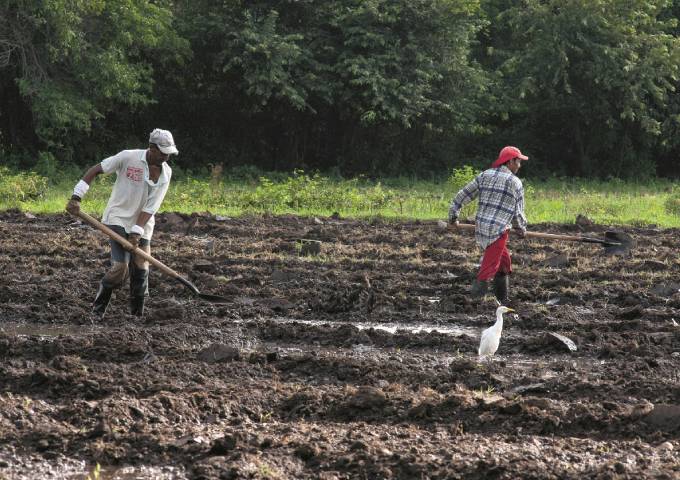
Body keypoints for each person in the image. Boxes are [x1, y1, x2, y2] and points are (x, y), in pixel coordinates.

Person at [66, 128, 178, 317]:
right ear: (151, 147)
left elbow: (152, 206)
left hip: (144, 223)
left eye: (169, 153)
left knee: (141, 268)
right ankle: (97, 312)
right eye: (162, 152)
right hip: (117, 217)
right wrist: (76, 196)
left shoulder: (166, 172)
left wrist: (136, 231)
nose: (166, 157)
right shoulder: (128, 157)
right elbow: (96, 170)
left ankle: (137, 317)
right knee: (120, 268)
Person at [448, 146, 528, 304]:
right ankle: (473, 303)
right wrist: (521, 229)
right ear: (510, 161)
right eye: (518, 161)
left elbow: (462, 195)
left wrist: (453, 216)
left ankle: (503, 301)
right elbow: (517, 213)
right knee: (487, 269)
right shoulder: (515, 183)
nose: (519, 165)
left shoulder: (485, 175)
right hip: (498, 232)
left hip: (482, 228)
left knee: (504, 264)